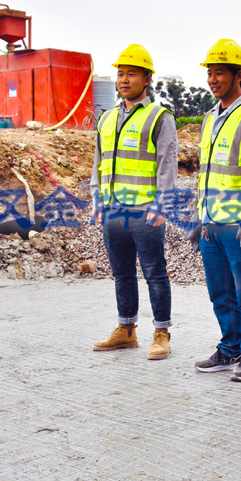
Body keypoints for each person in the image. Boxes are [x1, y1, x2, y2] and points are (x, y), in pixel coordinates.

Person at [189, 39, 241, 382]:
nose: (212, 80)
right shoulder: (209, 118)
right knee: (220, 292)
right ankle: (230, 346)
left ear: (239, 75)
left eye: (219, 73)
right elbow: (207, 173)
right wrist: (199, 217)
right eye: (210, 73)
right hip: (211, 222)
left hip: (238, 223)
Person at [90, 44, 178, 360]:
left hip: (145, 208)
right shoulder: (107, 119)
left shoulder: (159, 117)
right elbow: (98, 163)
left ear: (146, 78)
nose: (124, 80)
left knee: (155, 271)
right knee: (122, 272)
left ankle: (161, 332)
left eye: (132, 74)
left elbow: (168, 163)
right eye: (121, 74)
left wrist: (162, 203)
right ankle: (126, 330)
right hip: (113, 209)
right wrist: (97, 198)